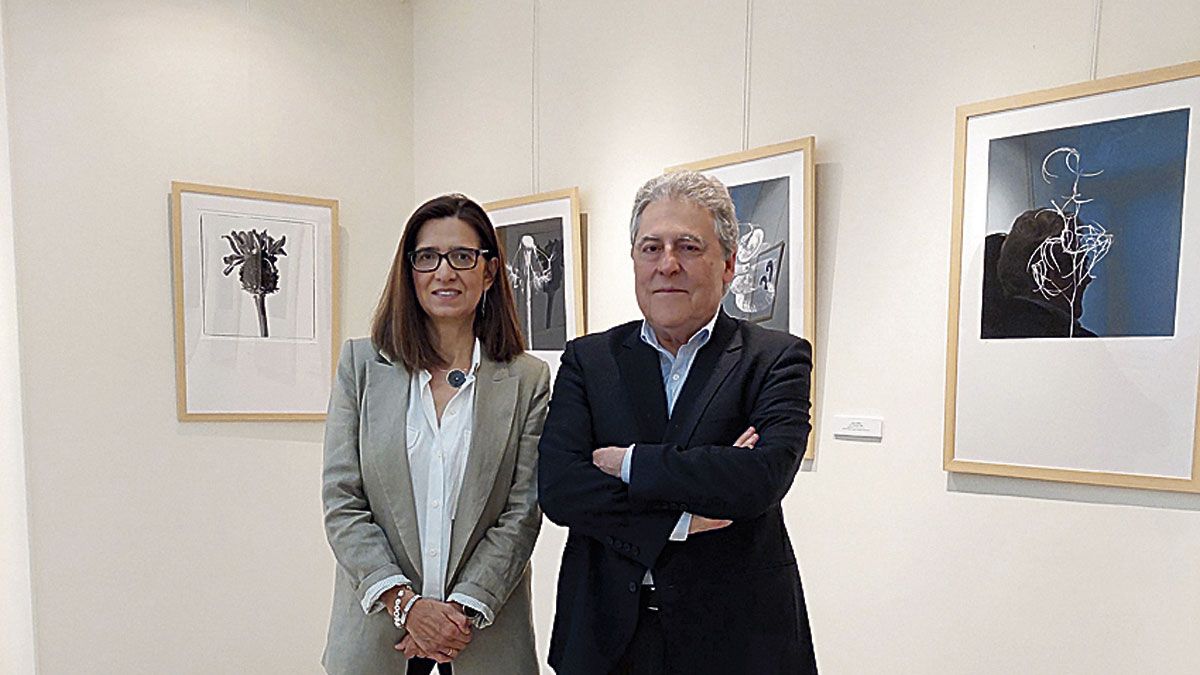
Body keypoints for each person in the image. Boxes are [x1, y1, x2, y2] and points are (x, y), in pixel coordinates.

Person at [538, 170, 818, 674]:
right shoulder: (590, 359)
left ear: (729, 263)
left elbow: (760, 479)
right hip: (606, 639)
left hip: (737, 640)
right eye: (651, 248)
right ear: (634, 261)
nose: (668, 264)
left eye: (688, 247)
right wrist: (681, 518)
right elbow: (560, 488)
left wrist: (629, 463)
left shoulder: (775, 358)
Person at [322, 194, 549, 675]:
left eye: (463, 257)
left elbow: (522, 511)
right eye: (428, 258)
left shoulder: (527, 380)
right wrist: (406, 605)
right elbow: (343, 501)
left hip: (484, 641)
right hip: (377, 641)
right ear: (410, 271)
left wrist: (458, 612)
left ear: (488, 272)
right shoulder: (362, 367)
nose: (444, 273)